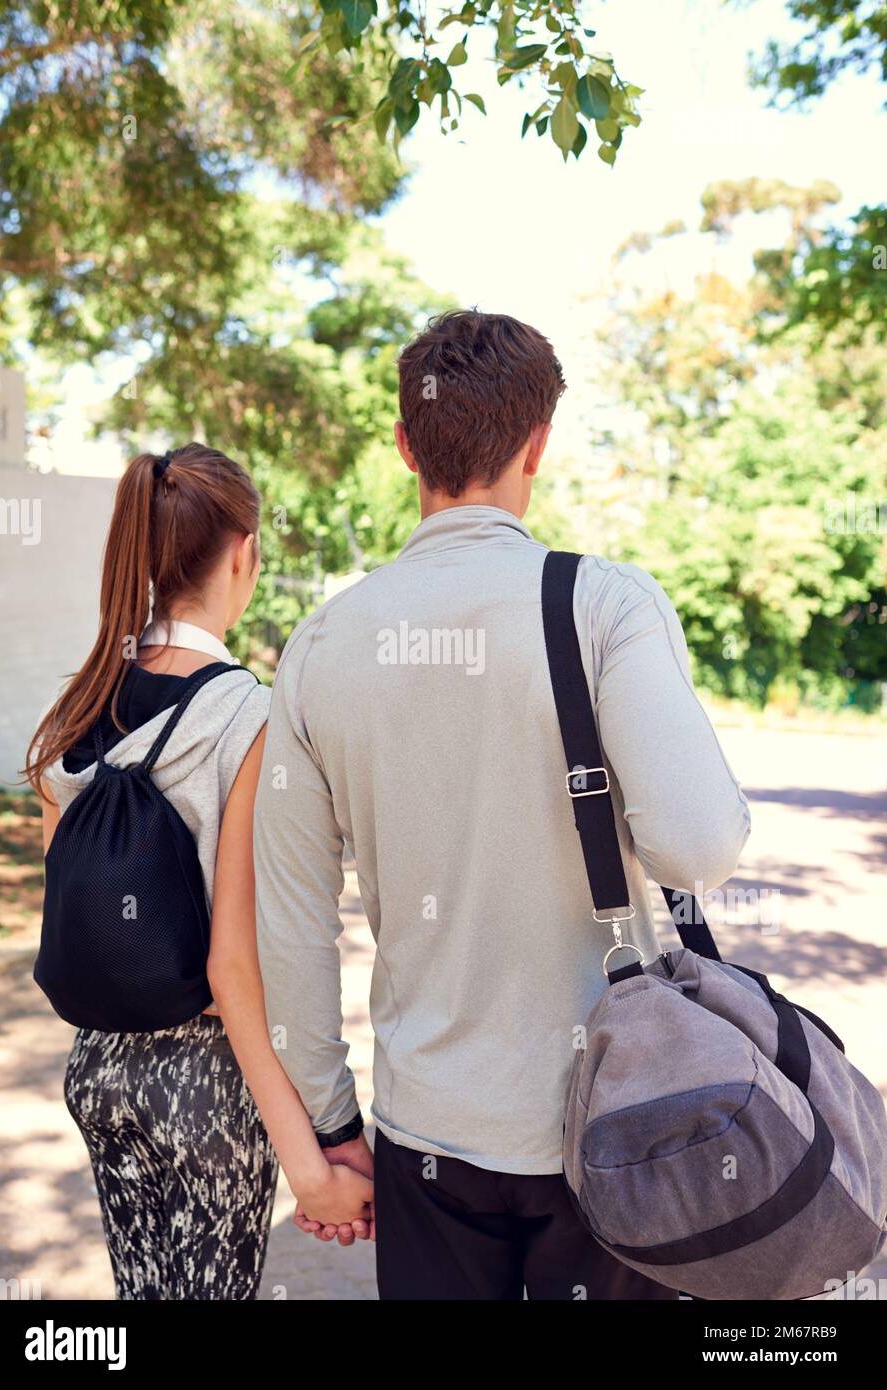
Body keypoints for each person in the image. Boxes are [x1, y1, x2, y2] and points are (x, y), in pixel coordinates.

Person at [253, 310, 752, 1300]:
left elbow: (291, 924)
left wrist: (331, 1122)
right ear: (540, 444)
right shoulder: (608, 606)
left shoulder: (321, 645)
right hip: (617, 1125)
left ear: (406, 446)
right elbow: (698, 848)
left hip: (428, 1132)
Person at [26, 442, 372, 1301]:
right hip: (203, 1089)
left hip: (98, 1070)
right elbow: (233, 964)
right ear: (245, 552)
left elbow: (72, 907)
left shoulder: (76, 706)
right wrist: (312, 1163)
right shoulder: (247, 716)